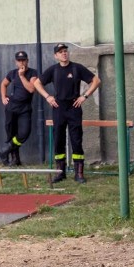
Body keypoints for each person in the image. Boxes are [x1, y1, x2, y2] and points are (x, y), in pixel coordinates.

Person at [37, 43, 101, 184]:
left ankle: (79, 173)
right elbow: (37, 83)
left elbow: (96, 81)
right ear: (56, 56)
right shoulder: (53, 70)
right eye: (60, 52)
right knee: (58, 139)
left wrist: (84, 96)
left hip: (74, 107)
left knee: (76, 139)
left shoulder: (76, 68)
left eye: (65, 51)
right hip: (59, 107)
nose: (64, 54)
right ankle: (60, 172)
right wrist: (48, 97)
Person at [0, 50, 42, 166]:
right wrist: (3, 97)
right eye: (19, 60)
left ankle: (4, 151)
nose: (22, 62)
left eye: (24, 60)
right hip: (12, 106)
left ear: (27, 61)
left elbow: (32, 89)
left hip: (25, 108)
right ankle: (15, 160)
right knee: (11, 133)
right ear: (16, 62)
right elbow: (3, 84)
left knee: (24, 133)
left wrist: (21, 76)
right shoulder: (12, 73)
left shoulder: (33, 73)